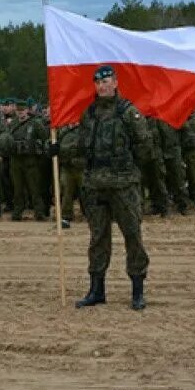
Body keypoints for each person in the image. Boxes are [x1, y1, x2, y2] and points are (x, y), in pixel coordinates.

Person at [58, 64, 154, 311]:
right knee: (98, 238)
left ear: (115, 83)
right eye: (99, 82)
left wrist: (128, 169)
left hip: (123, 185)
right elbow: (81, 146)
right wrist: (59, 150)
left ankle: (137, 290)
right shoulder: (89, 114)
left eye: (107, 81)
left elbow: (145, 147)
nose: (103, 86)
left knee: (132, 235)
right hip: (95, 185)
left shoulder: (128, 113)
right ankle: (96, 290)